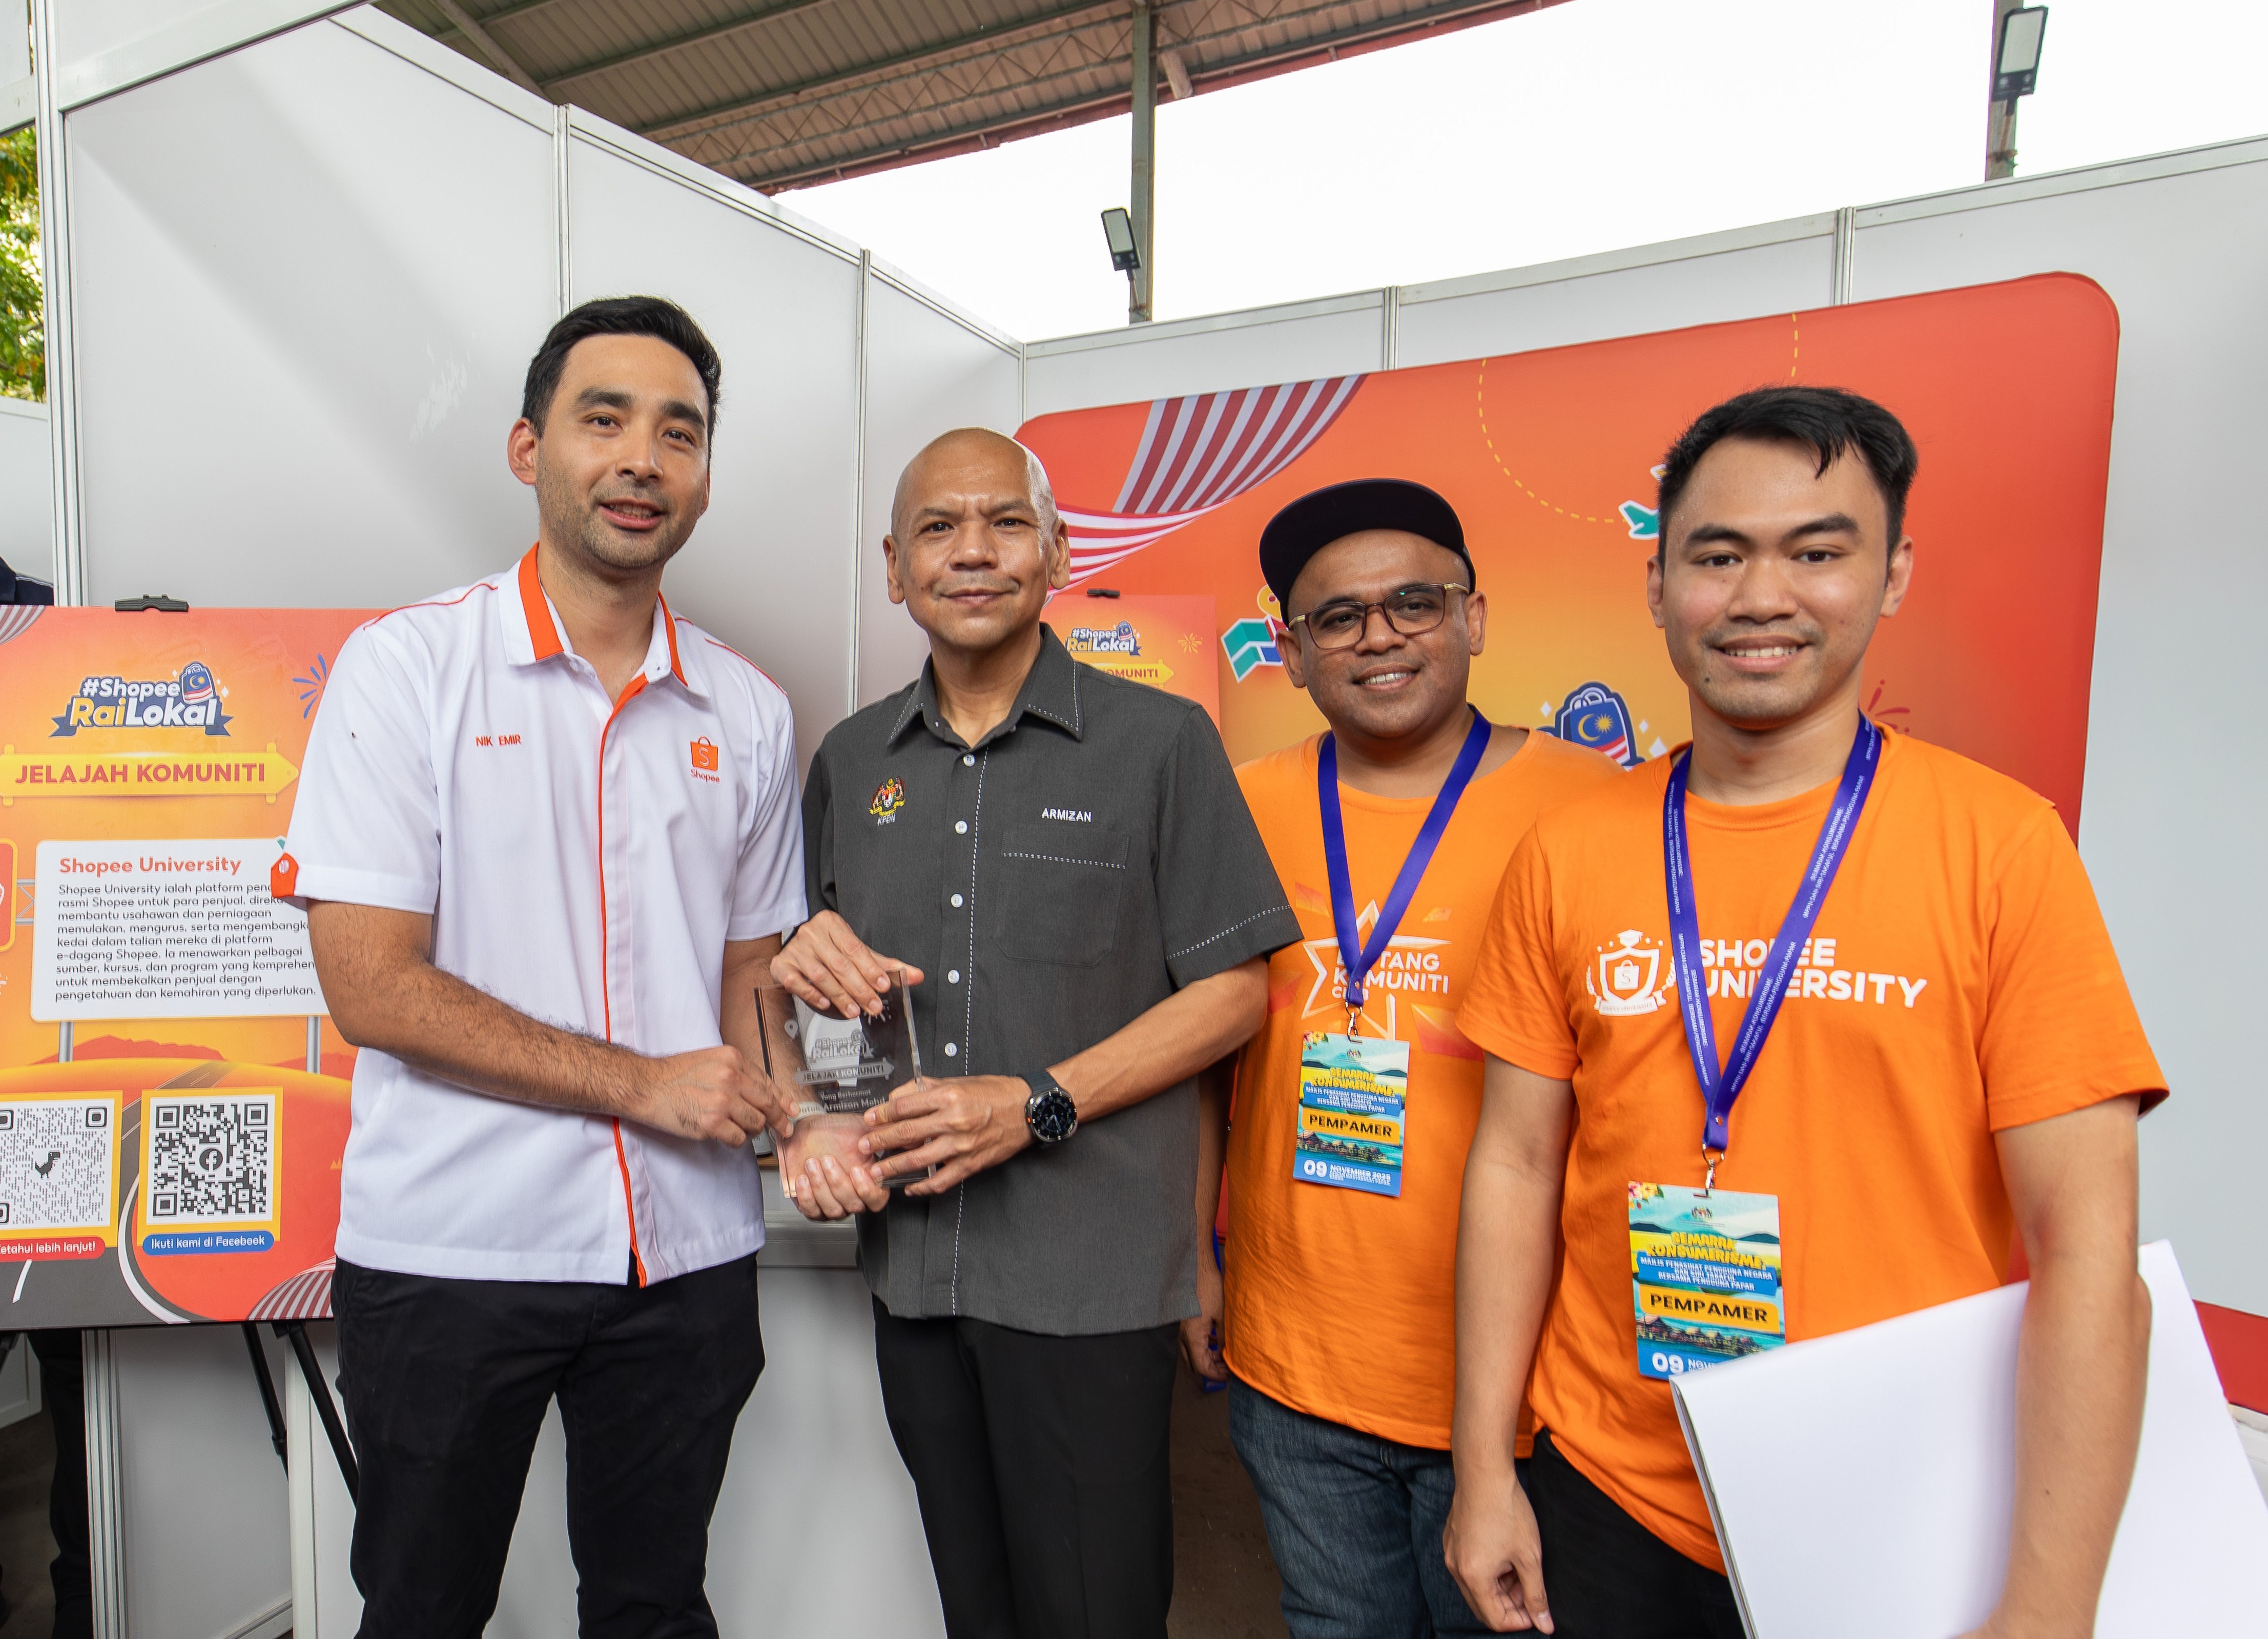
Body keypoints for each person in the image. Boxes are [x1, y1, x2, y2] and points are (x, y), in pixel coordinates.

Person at [1445, 384, 2164, 1639]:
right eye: (1715, 556)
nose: (1761, 597)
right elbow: (1512, 1165)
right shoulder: (1567, 850)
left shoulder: (2000, 848)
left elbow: (2086, 1252)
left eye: (1816, 552)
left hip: (1887, 1499)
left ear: (1889, 577)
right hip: (1606, 1496)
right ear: (1658, 584)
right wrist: (1484, 1471)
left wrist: (2048, 1604)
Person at [282, 296, 804, 1638]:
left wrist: (799, 1116)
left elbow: (750, 963)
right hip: (456, 1243)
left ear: (702, 474)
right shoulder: (407, 669)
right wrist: (645, 1084)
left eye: (679, 431)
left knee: (653, 1600)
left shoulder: (745, 708)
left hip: (687, 1251)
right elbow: (373, 986)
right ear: (529, 448)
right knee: (422, 1605)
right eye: (604, 417)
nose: (643, 456)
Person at [772, 426, 1302, 1639]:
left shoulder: (1160, 743)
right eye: (939, 530)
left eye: (1005, 523)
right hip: (915, 1274)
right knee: (979, 1608)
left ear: (1057, 553)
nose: (973, 552)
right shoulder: (852, 762)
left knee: (1095, 1613)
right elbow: (826, 997)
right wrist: (808, 1095)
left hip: (1089, 1278)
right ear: (892, 567)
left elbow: (1234, 993)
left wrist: (1038, 1102)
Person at [1181, 479, 1620, 1639]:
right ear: (1288, 651)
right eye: (1338, 616)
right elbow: (1202, 1063)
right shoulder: (1240, 809)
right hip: (1294, 1363)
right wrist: (1195, 1258)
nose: (1378, 636)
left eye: (1413, 603)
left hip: (1525, 1381)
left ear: (1473, 617)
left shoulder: (1598, 810)